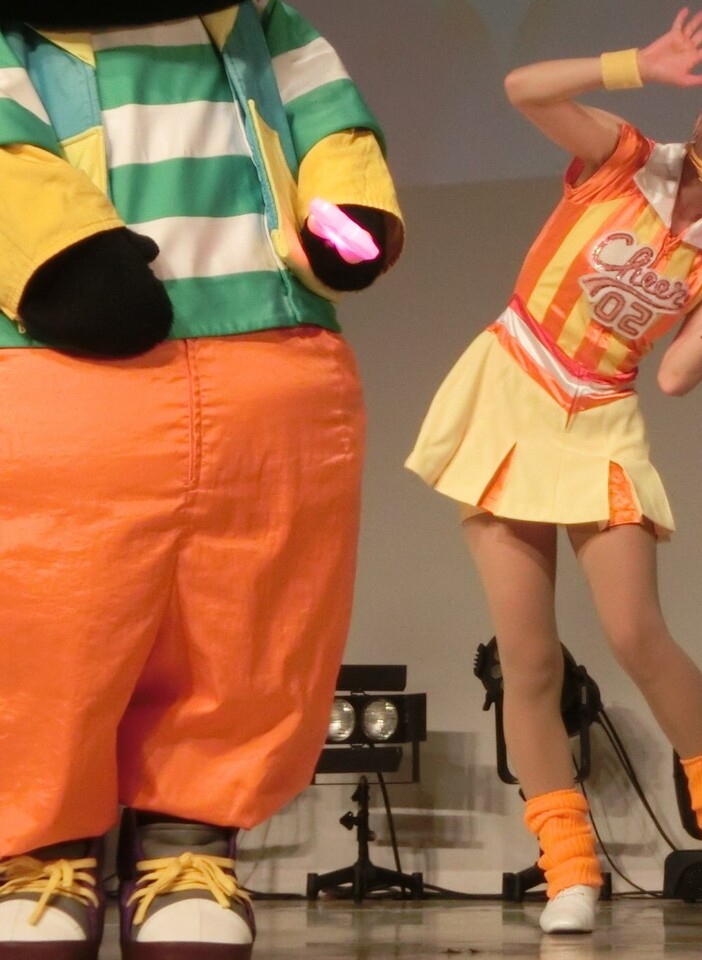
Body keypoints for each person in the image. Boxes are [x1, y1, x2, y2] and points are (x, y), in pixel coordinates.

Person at [0, 2, 403, 957]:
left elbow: (330, 123)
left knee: (249, 615)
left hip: (269, 345)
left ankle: (189, 843)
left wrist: (347, 210)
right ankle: (39, 850)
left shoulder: (266, 22)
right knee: (49, 622)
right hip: (63, 364)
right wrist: (59, 256)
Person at [406, 8, 702, 935]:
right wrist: (636, 63)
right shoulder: (624, 157)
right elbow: (521, 89)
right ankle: (569, 871)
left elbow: (675, 375)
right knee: (528, 660)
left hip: (601, 417)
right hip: (510, 391)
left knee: (636, 634)